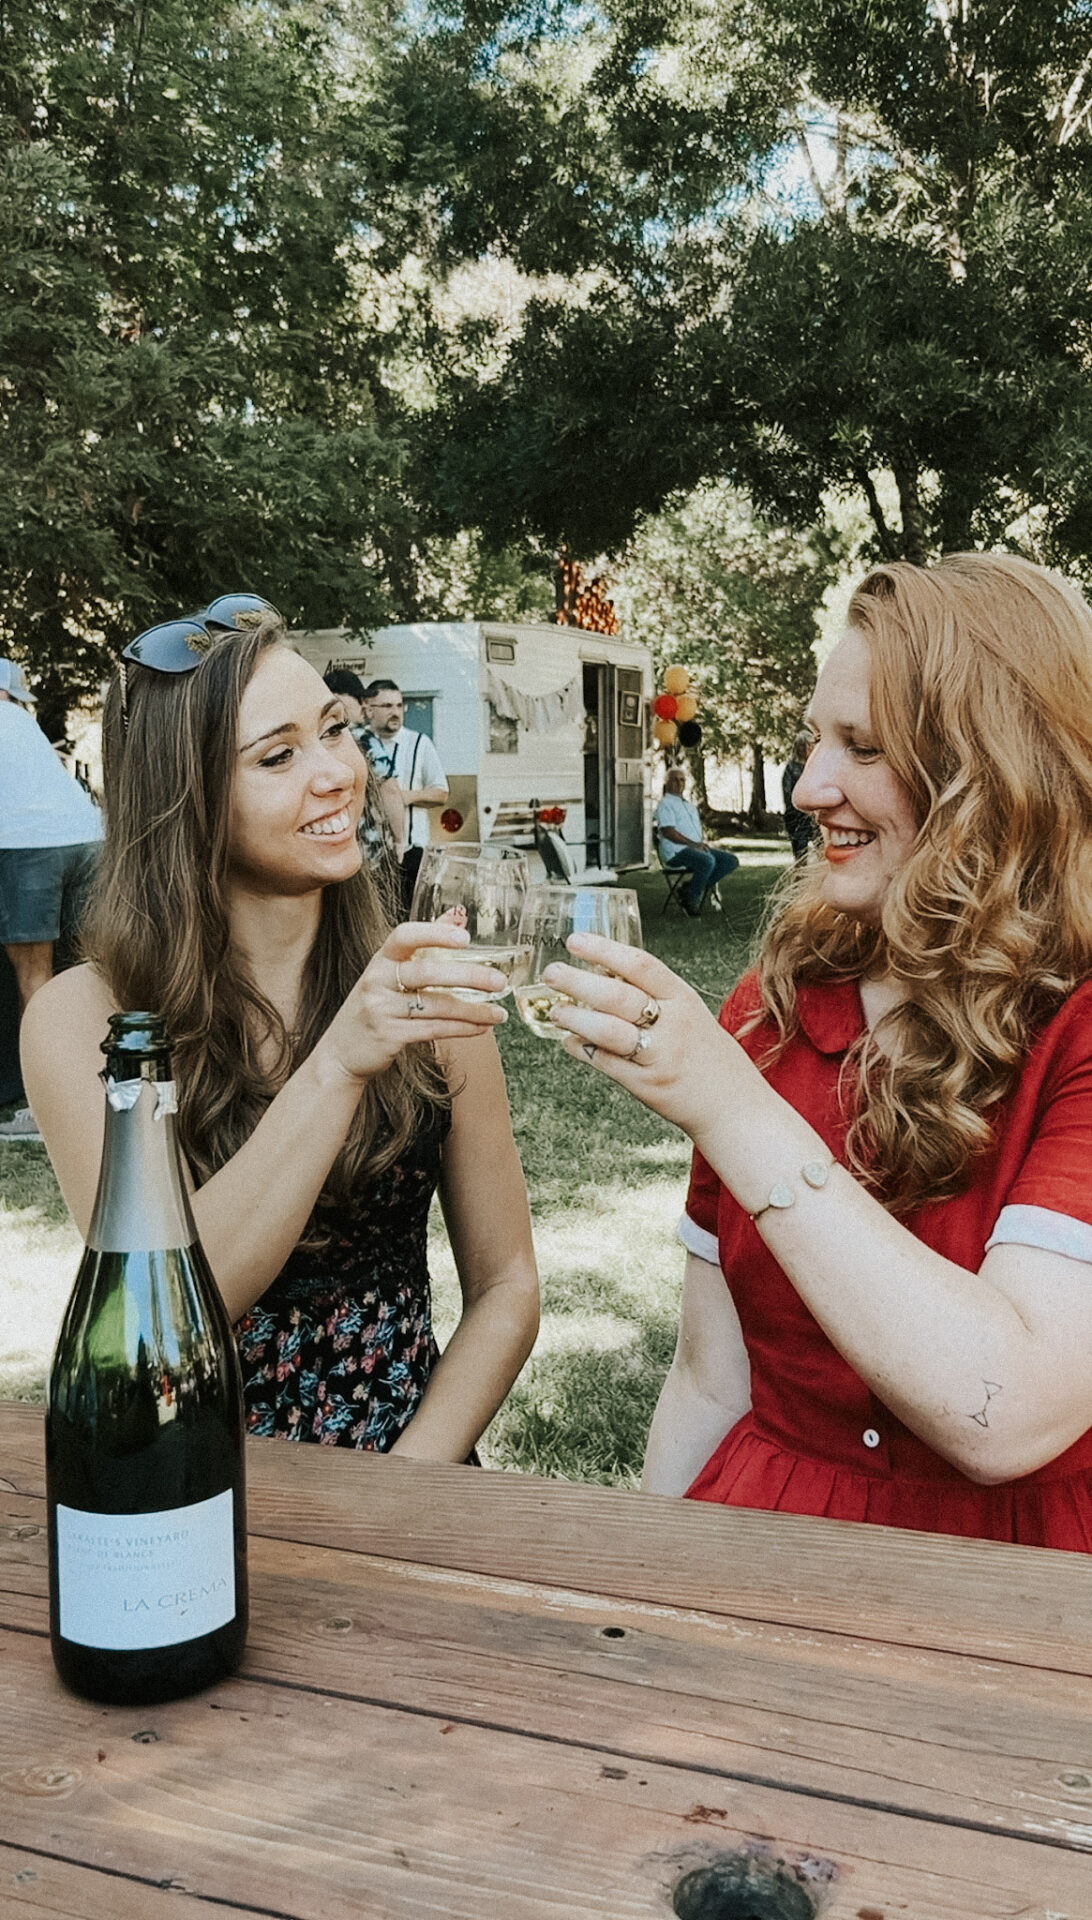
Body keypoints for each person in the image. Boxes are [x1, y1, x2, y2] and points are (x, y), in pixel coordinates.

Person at [540, 553, 1092, 1550]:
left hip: (1022, 1589)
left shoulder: (1080, 1029)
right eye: (812, 740)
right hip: (764, 1549)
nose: (806, 787)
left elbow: (1008, 1412)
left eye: (863, 747)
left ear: (998, 775)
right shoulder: (777, 1002)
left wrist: (733, 1110)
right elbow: (711, 1379)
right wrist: (638, 1596)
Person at [21, 596, 539, 1458]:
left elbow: (507, 1286)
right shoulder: (85, 1020)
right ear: (186, 799)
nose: (336, 773)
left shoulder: (422, 986)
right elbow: (171, 1305)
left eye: (333, 730)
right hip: (188, 1485)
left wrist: (402, 1485)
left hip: (412, 1473)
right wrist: (337, 1064)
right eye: (278, 756)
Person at [0, 658, 103, 1142]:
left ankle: (44, 1111)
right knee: (88, 968)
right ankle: (106, 1086)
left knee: (32, 977)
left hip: (29, 848)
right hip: (87, 842)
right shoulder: (24, 723)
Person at [362, 679, 449, 910]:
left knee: (410, 916)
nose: (395, 713)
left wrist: (403, 797)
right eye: (387, 706)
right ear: (369, 709)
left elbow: (441, 793)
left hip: (412, 852)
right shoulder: (361, 742)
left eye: (399, 706)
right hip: (372, 854)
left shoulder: (419, 743)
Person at [322, 668, 406, 893]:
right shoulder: (363, 739)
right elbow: (389, 791)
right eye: (358, 698)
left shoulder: (314, 740)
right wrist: (400, 840)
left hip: (328, 853)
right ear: (336, 698)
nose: (363, 706)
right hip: (368, 856)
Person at [654, 767, 739, 916]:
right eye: (674, 779)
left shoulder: (688, 805)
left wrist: (699, 844)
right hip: (676, 851)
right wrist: (693, 845)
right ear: (667, 783)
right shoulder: (665, 804)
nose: (679, 783)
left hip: (694, 849)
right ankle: (691, 900)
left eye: (682, 780)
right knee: (707, 861)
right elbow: (668, 832)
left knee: (730, 860)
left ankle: (690, 888)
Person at [782, 730, 817, 863]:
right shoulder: (791, 768)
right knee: (800, 857)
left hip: (815, 819)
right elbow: (788, 796)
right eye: (809, 746)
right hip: (797, 819)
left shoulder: (815, 767)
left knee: (822, 855)